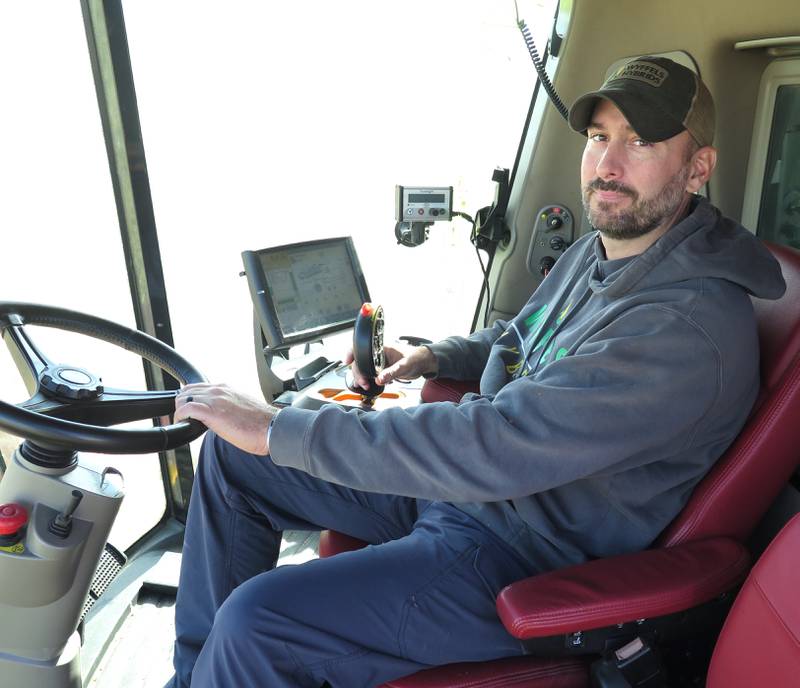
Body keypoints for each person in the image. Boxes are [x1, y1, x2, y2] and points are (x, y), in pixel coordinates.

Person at [165, 56, 786, 688]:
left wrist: (278, 428)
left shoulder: (683, 329)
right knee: (231, 458)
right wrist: (433, 357)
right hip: (476, 494)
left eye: (642, 141)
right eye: (600, 136)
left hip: (519, 551)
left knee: (258, 618)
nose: (607, 164)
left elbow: (498, 441)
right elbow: (525, 334)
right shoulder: (609, 250)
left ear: (698, 168)